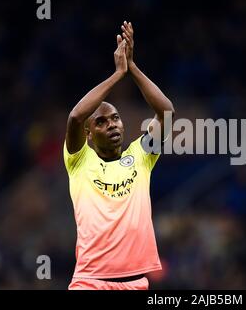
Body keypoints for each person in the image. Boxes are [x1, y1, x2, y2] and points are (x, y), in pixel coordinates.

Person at [63, 21, 175, 290]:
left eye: (115, 118)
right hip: (89, 282)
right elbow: (77, 117)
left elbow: (167, 114)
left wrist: (132, 68)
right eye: (101, 122)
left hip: (135, 283)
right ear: (89, 134)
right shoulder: (79, 160)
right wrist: (117, 75)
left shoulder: (141, 155)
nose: (112, 124)